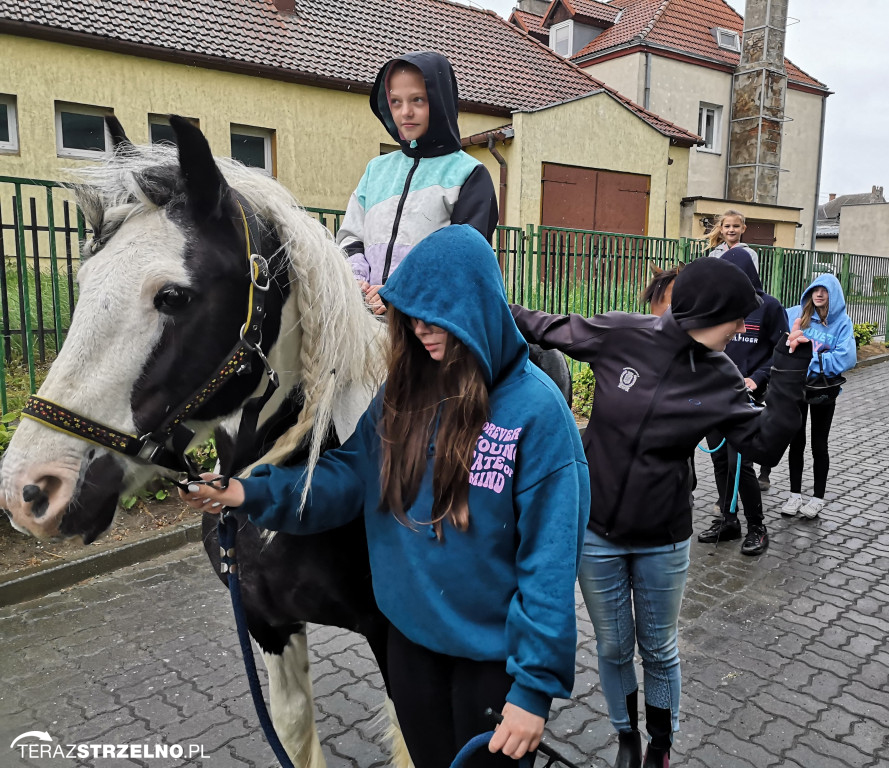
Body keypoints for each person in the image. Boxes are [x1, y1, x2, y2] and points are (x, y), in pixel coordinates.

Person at [183, 225, 589, 768]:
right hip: (410, 645)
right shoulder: (402, 393)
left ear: (477, 306)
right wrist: (244, 492)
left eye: (435, 314)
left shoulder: (536, 415)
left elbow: (550, 564)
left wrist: (532, 691)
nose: (420, 329)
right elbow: (345, 479)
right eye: (409, 315)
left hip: (491, 661)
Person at [510, 257, 813, 768]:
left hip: (663, 540)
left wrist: (790, 368)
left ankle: (660, 747)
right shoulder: (621, 333)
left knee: (658, 648)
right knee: (611, 648)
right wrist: (475, 300)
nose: (743, 328)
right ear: (709, 311)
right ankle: (626, 738)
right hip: (596, 535)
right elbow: (541, 325)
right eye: (737, 317)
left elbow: (763, 444)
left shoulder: (721, 376)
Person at [336, 51, 499, 315]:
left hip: (431, 330)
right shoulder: (376, 170)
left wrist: (398, 294)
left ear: (439, 100)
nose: (405, 112)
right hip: (367, 323)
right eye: (396, 102)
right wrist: (357, 281)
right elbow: (351, 237)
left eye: (418, 100)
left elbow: (464, 263)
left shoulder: (470, 174)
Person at [696, 248, 788, 556]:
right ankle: (728, 519)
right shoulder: (717, 306)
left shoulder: (770, 306)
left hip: (747, 397)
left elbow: (779, 351)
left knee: (741, 463)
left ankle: (757, 527)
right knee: (721, 460)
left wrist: (757, 378)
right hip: (715, 395)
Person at [778, 273, 857, 519]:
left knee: (819, 444)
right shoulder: (796, 315)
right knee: (796, 441)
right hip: (797, 387)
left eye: (825, 290)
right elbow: (781, 342)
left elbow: (848, 357)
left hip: (824, 390)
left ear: (834, 295)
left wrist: (810, 360)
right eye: (815, 289)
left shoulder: (843, 322)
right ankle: (794, 495)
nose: (819, 294)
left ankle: (817, 498)